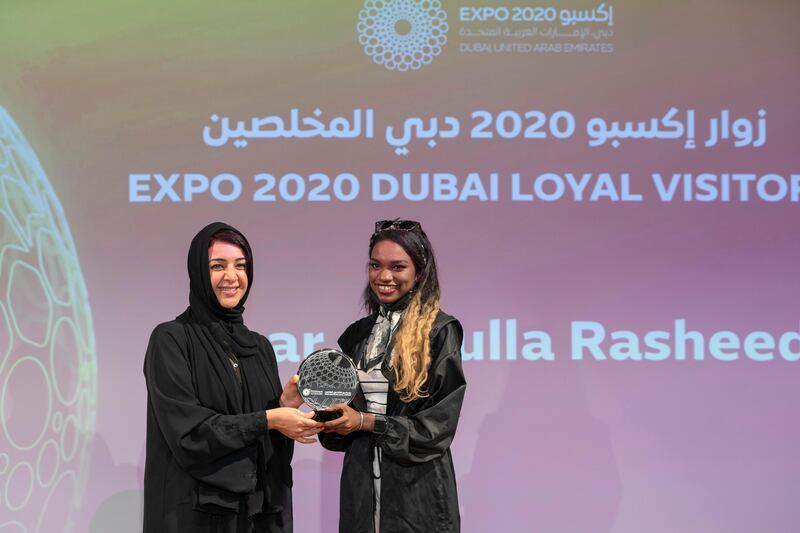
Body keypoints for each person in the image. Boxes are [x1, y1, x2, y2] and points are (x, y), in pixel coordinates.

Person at [143, 222, 322, 533]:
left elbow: (264, 444)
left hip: (258, 515)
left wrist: (283, 406)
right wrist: (270, 418)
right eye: (217, 266)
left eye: (241, 266)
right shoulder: (171, 339)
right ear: (198, 272)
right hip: (196, 516)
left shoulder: (260, 346)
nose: (232, 277)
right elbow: (190, 434)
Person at [320, 219, 466, 533]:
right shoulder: (356, 335)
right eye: (375, 265)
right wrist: (323, 409)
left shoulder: (439, 331)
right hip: (361, 490)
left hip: (418, 495)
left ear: (420, 272)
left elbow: (436, 430)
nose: (384, 276)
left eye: (397, 267)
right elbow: (336, 429)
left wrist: (366, 422)